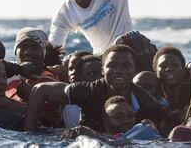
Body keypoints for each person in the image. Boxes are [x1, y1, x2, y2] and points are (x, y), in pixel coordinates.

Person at [23, 44, 165, 132]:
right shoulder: (88, 91)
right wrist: (30, 133)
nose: (119, 70)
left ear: (134, 70)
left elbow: (168, 127)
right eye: (112, 65)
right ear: (103, 70)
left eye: (126, 65)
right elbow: (40, 90)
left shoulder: (147, 102)